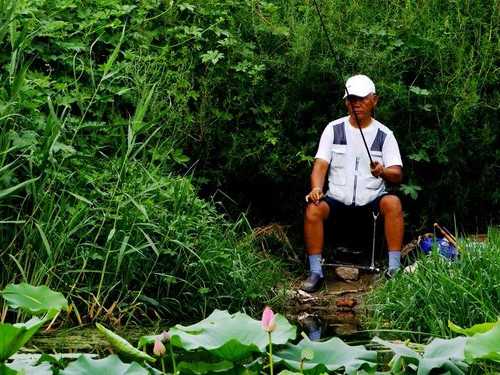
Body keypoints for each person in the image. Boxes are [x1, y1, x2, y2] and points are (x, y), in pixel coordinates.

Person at [301, 74, 404, 293]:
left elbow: (397, 174)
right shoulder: (333, 129)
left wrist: (382, 171)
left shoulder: (385, 135)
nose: (355, 104)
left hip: (371, 203)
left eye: (361, 99)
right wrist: (317, 188)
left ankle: (394, 269)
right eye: (351, 99)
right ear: (346, 102)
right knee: (313, 209)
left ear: (374, 100)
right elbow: (320, 165)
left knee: (393, 203)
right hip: (337, 200)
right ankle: (315, 272)